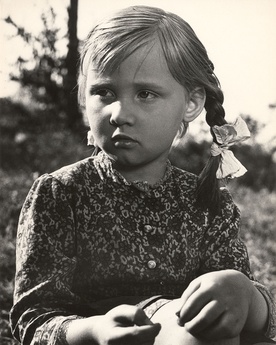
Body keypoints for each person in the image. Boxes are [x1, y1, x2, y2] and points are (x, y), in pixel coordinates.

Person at [10, 5, 275, 345]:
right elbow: (34, 317)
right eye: (104, 91)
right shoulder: (61, 194)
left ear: (191, 103)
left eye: (146, 94)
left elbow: (235, 314)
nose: (119, 114)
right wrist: (92, 331)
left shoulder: (209, 203)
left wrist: (244, 293)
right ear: (82, 95)